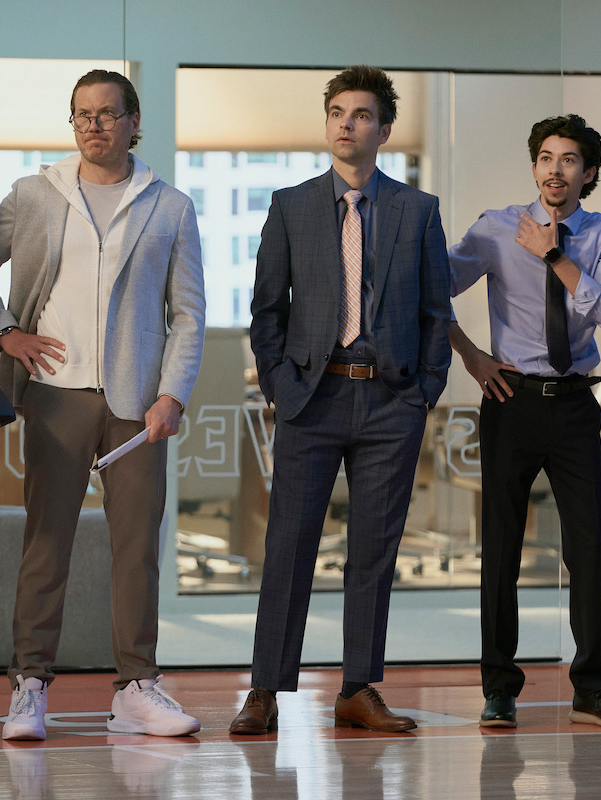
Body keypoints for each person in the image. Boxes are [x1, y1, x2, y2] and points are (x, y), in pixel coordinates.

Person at [0, 69, 205, 740]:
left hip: (137, 403)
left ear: (133, 121)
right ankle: (30, 685)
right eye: (83, 115)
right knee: (46, 544)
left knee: (137, 550)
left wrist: (174, 393)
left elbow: (188, 313)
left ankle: (137, 688)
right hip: (55, 394)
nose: (94, 125)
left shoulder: (170, 206)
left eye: (108, 113)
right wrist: (5, 333)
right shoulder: (36, 193)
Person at [229, 65, 451, 735]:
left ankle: (358, 688)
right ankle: (265, 689)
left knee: (373, 553)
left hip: (390, 401)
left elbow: (436, 311)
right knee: (289, 547)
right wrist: (280, 385)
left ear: (384, 130)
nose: (346, 124)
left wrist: (423, 392)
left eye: (361, 115)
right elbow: (267, 309)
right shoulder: (291, 206)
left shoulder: (418, 210)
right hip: (313, 397)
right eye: (337, 113)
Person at [447, 114, 601, 729]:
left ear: (588, 173)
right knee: (501, 548)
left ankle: (593, 688)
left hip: (576, 404)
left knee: (587, 549)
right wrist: (471, 356)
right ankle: (499, 689)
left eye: (570, 160)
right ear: (534, 167)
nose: (556, 170)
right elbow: (430, 289)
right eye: (547, 158)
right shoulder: (496, 228)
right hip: (512, 400)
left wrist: (555, 254)